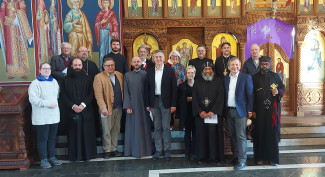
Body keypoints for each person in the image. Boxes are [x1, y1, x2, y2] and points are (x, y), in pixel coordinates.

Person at [60, 58, 97, 161]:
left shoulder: (88, 79)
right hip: (71, 112)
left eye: (79, 65)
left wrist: (83, 104)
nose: (77, 67)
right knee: (74, 134)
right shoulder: (65, 80)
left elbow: (91, 94)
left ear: (82, 66)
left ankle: (88, 155)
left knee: (87, 133)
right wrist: (72, 106)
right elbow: (63, 95)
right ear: (71, 66)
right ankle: (75, 156)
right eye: (75, 65)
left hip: (86, 111)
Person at [252, 56, 285, 166]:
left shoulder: (275, 76)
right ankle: (260, 158)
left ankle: (273, 159)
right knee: (259, 133)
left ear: (270, 65)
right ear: (259, 65)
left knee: (272, 135)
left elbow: (283, 89)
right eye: (262, 64)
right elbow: (251, 95)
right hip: (259, 111)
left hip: (272, 112)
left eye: (266, 64)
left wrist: (278, 92)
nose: (264, 66)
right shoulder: (254, 77)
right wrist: (252, 111)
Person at [28, 63, 62, 168]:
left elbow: (57, 95)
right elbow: (33, 99)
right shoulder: (35, 83)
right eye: (44, 68)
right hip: (41, 117)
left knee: (52, 138)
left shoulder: (54, 82)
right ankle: (43, 159)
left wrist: (53, 105)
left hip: (54, 116)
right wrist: (48, 104)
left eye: (48, 68)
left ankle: (52, 157)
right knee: (43, 138)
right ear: (40, 70)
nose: (47, 70)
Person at [146, 50, 177, 161]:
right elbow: (147, 89)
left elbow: (174, 89)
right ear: (153, 59)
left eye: (160, 57)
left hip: (167, 102)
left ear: (164, 58)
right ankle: (159, 150)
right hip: (154, 102)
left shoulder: (170, 70)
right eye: (156, 57)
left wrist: (174, 104)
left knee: (166, 127)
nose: (158, 59)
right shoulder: (149, 72)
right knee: (157, 127)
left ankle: (168, 150)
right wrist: (147, 104)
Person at [224, 57, 254, 170]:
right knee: (232, 135)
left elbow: (250, 95)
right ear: (228, 67)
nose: (234, 67)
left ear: (240, 66)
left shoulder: (246, 78)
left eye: (236, 65)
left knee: (240, 136)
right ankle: (235, 156)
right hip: (228, 111)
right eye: (232, 65)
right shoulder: (225, 79)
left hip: (240, 111)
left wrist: (250, 111)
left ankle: (242, 160)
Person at [192, 62, 224, 164]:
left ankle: (215, 157)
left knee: (214, 135)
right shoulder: (197, 82)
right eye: (205, 69)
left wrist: (213, 111)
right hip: (201, 115)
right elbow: (195, 99)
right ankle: (202, 157)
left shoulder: (218, 81)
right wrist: (200, 111)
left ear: (213, 70)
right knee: (202, 136)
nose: (207, 71)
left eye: (209, 69)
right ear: (202, 71)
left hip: (213, 115)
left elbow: (221, 97)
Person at [93, 57, 123, 159]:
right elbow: (98, 95)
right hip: (106, 108)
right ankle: (107, 150)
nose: (110, 67)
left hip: (118, 107)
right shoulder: (98, 77)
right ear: (103, 66)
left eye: (112, 65)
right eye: (108, 65)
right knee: (106, 130)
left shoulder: (119, 75)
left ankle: (114, 148)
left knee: (116, 129)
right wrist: (102, 107)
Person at [123, 56, 152, 158]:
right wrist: (127, 106)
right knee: (132, 127)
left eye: (138, 61)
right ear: (131, 63)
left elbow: (149, 90)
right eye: (134, 61)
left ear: (141, 63)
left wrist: (149, 104)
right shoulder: (127, 75)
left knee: (144, 127)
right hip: (132, 105)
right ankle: (132, 151)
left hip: (144, 105)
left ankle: (146, 150)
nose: (136, 63)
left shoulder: (146, 74)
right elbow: (125, 92)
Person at [0, 0, 33, 80]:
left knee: (21, 49)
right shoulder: (5, 2)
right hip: (9, 29)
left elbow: (24, 13)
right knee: (10, 51)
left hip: (19, 28)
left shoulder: (20, 1)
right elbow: (2, 14)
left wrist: (16, 12)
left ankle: (23, 71)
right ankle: (12, 72)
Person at [94, 0, 119, 72]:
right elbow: (96, 24)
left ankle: (111, 68)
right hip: (102, 33)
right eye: (104, 3)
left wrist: (114, 32)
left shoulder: (112, 13)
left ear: (109, 4)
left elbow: (115, 24)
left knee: (109, 50)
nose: (105, 4)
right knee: (102, 51)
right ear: (101, 4)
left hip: (110, 34)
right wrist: (101, 22)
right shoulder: (100, 13)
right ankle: (102, 69)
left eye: (107, 2)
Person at [178, 65, 196, 160]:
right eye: (189, 72)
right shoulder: (181, 86)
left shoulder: (199, 85)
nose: (190, 74)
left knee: (196, 134)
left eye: (192, 72)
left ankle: (195, 151)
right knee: (187, 133)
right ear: (186, 74)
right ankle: (187, 152)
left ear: (195, 74)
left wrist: (191, 99)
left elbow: (200, 99)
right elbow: (180, 100)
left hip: (196, 113)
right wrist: (192, 99)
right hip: (186, 113)